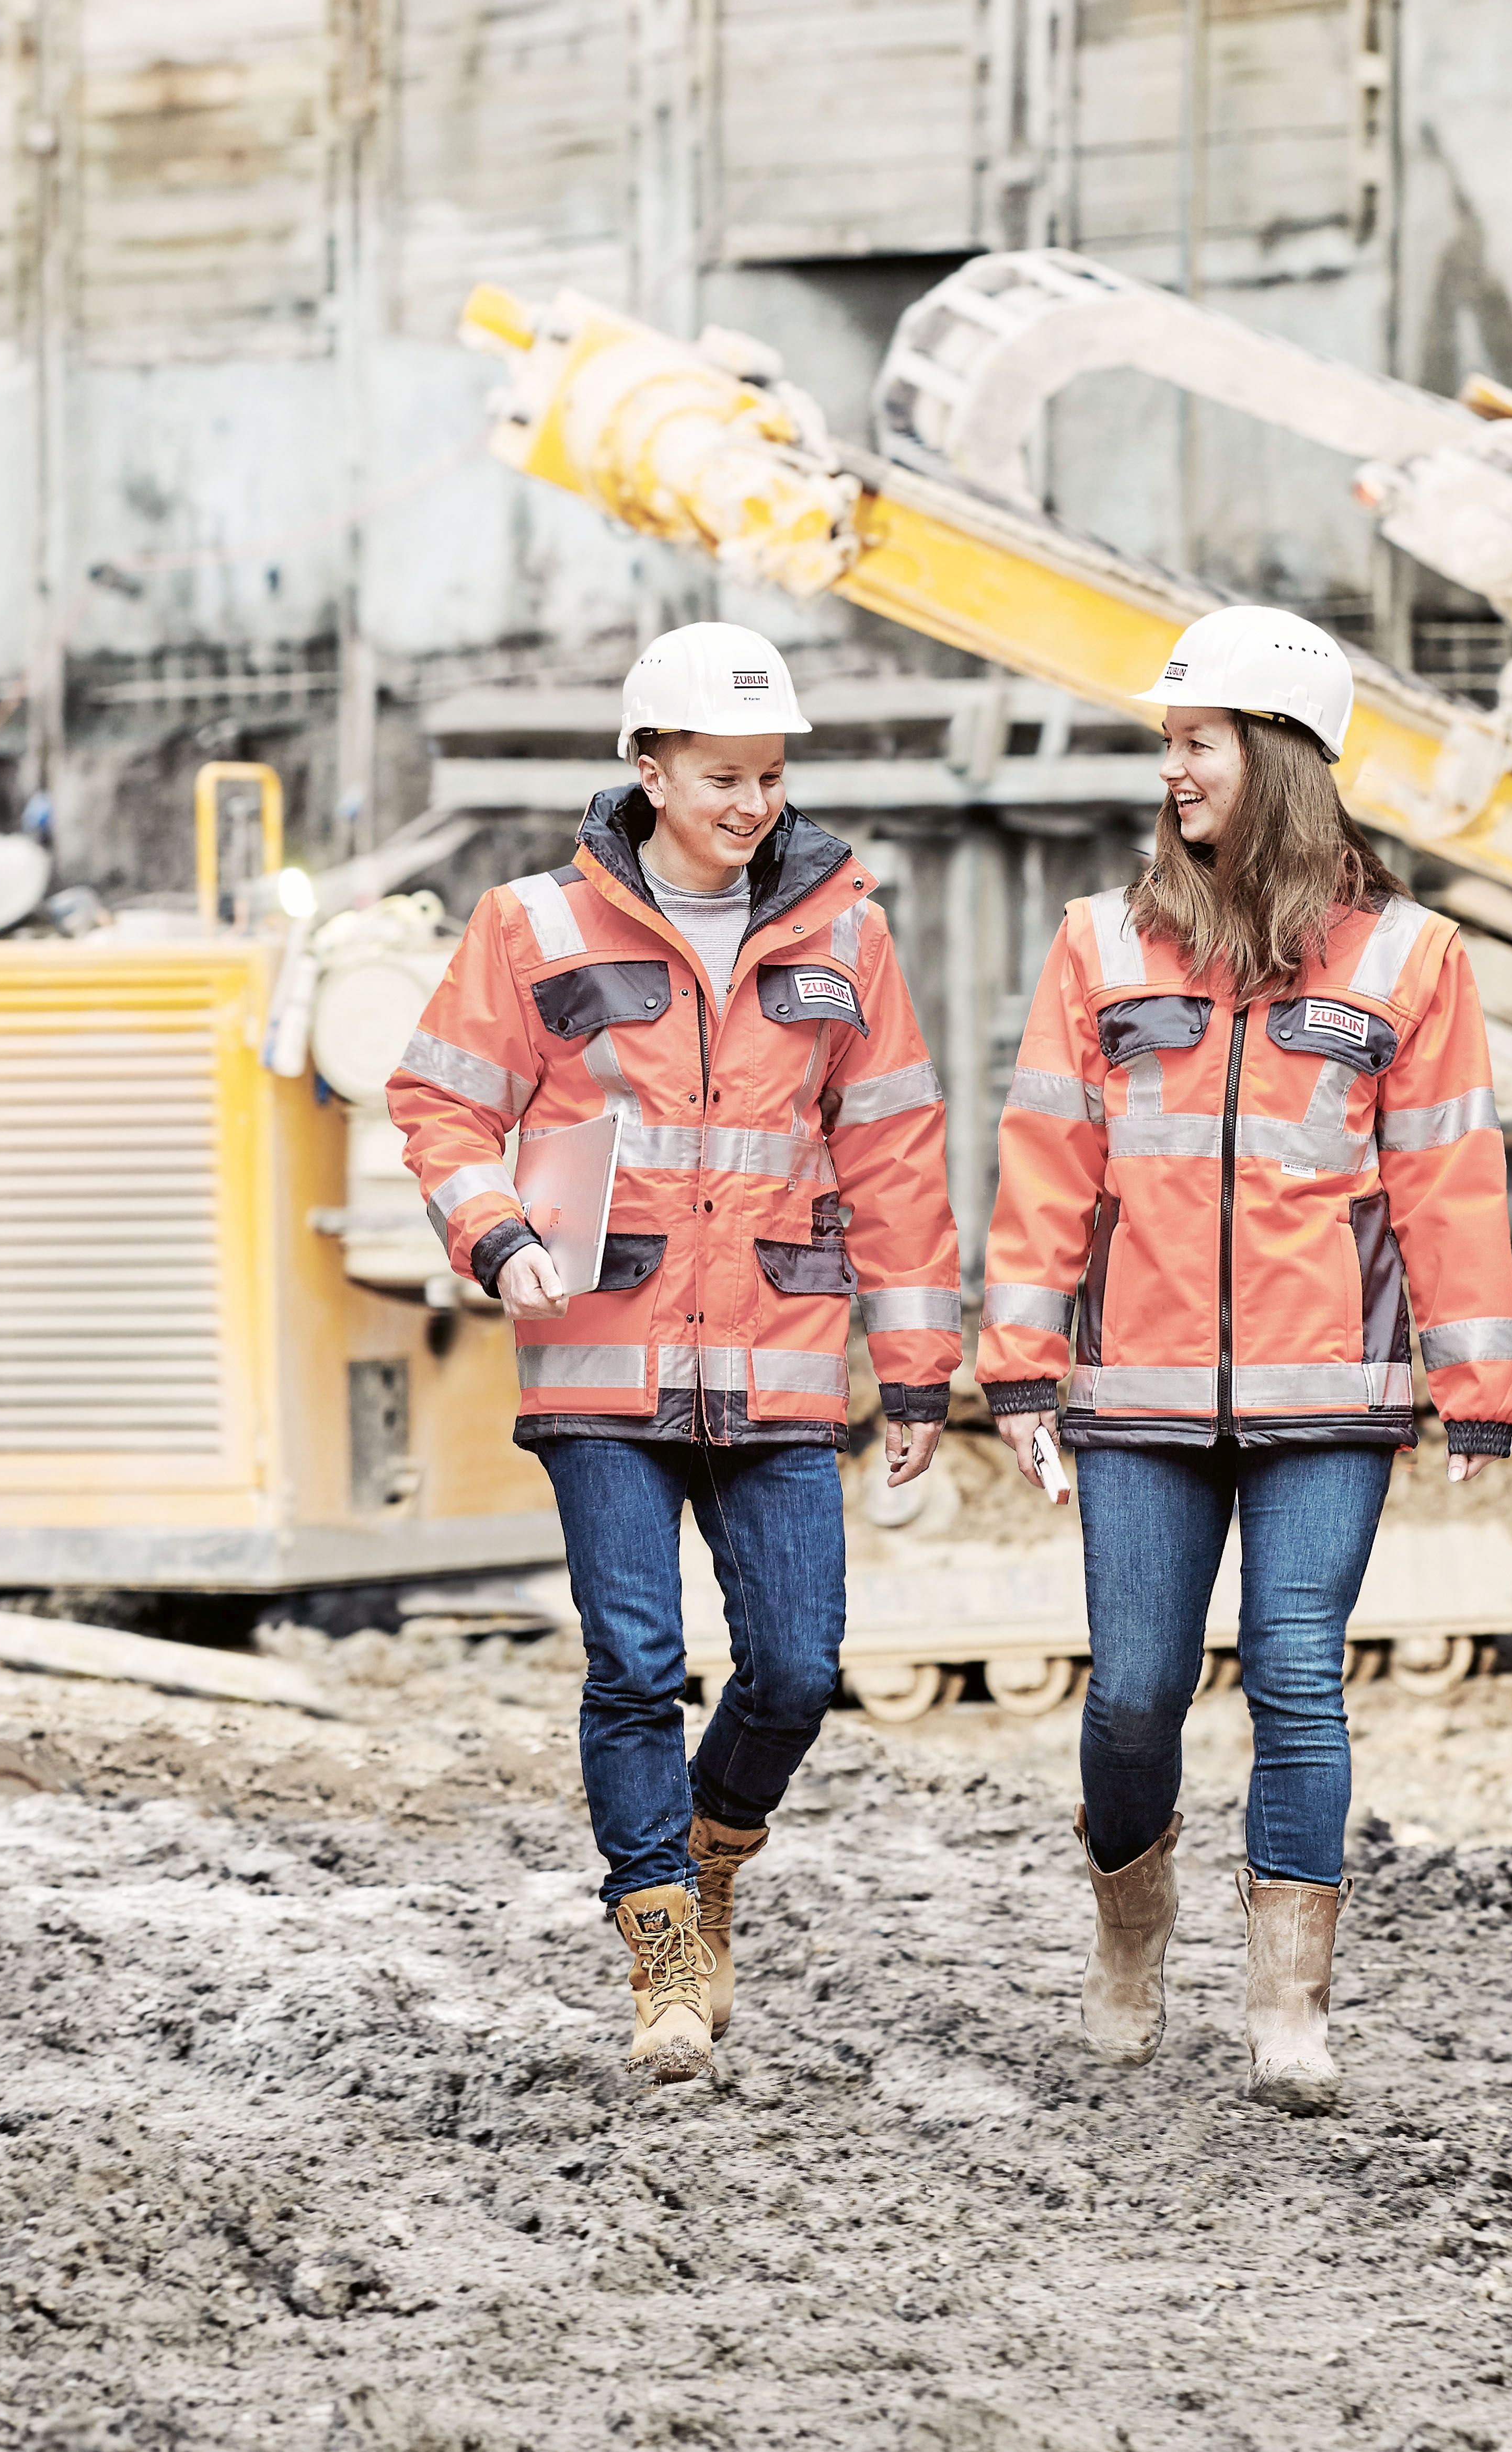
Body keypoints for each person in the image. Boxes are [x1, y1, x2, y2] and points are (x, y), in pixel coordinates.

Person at [391, 621, 965, 2082]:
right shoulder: (531, 926)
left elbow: (894, 1152)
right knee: (635, 1660)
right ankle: (657, 1947)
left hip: (777, 1357)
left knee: (794, 1665)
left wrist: (915, 1367)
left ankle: (711, 1858)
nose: (751, 802)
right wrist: (498, 1231)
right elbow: (440, 1104)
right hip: (601, 1356)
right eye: (720, 774)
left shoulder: (845, 932)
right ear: (644, 766)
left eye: (769, 776)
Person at [979, 604, 1512, 2112]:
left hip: (1326, 1397)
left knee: (1297, 1675)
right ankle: (1129, 1929)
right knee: (1134, 1694)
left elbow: (1448, 1178)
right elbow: (1046, 1166)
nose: (1171, 770)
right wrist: (1019, 1364)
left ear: (1276, 755)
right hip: (1139, 1396)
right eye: (1166, 743)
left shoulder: (1411, 957)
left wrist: (1477, 1384)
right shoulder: (1100, 942)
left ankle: (1290, 2012)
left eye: (1195, 741)